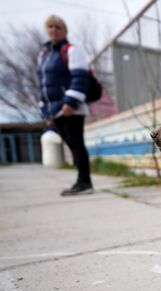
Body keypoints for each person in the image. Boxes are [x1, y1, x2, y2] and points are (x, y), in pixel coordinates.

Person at [37, 15, 93, 195]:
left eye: (58, 27)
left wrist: (71, 102)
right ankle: (81, 180)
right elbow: (43, 85)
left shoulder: (72, 50)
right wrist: (45, 111)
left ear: (64, 30)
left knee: (77, 145)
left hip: (71, 109)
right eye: (50, 27)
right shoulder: (43, 54)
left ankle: (84, 182)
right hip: (54, 110)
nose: (54, 30)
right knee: (71, 145)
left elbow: (80, 77)